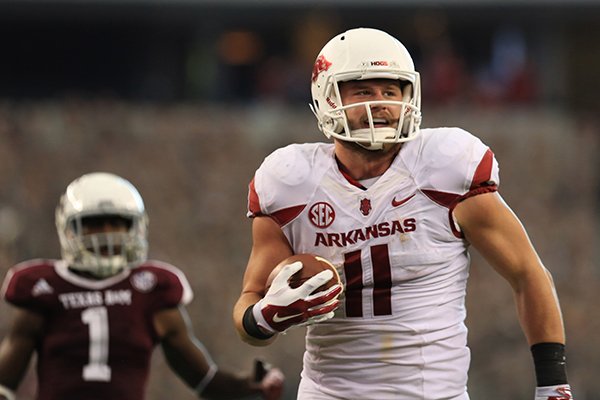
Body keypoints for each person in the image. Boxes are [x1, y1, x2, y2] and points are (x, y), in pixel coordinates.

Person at [233, 27, 572, 400]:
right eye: (363, 90)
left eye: (391, 91)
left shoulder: (444, 167)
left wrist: (553, 386)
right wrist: (265, 316)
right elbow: (248, 309)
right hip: (329, 393)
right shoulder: (290, 182)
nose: (380, 103)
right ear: (326, 97)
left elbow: (528, 274)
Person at [0, 172, 284, 400]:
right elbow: (5, 382)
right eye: (94, 224)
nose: (108, 234)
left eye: (118, 223)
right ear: (68, 229)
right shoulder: (43, 288)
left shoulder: (150, 290)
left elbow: (204, 379)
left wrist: (251, 384)